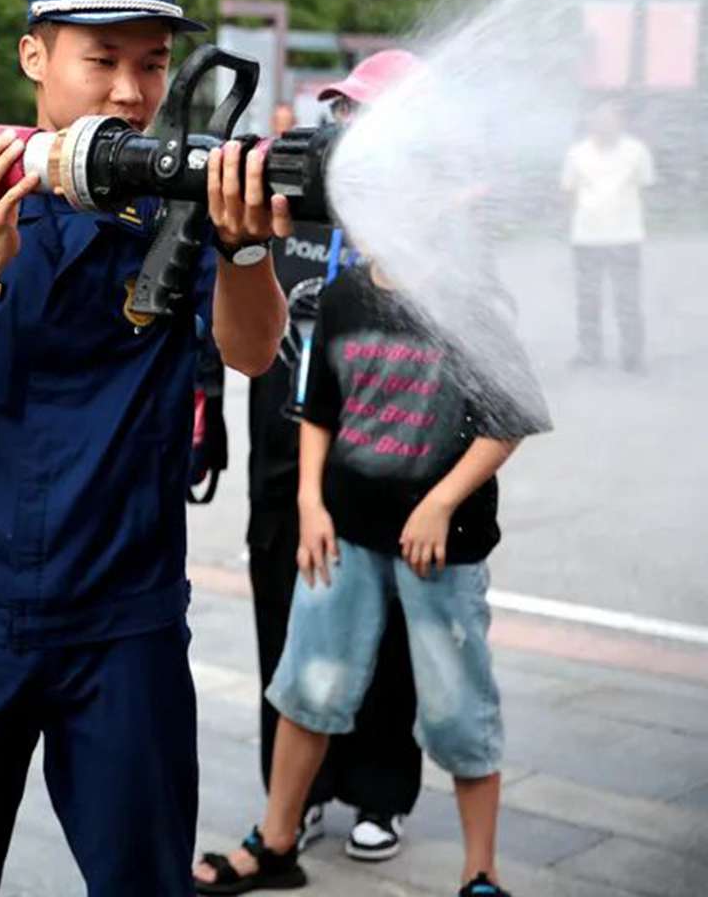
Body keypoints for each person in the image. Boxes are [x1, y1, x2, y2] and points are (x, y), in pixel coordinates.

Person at [0, 0, 290, 894]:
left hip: (122, 617)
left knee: (143, 873)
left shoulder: (184, 195)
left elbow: (255, 353)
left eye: (153, 62)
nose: (131, 90)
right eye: (104, 59)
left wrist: (247, 252)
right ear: (34, 58)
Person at [193, 255, 550, 897]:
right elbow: (319, 408)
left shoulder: (467, 294)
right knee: (310, 688)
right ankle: (277, 842)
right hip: (344, 534)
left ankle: (481, 873)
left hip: (442, 548)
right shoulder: (344, 295)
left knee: (457, 710)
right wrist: (310, 501)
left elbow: (510, 417)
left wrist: (441, 504)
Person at [239, 53, 427, 867]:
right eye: (341, 111)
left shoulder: (423, 228)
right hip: (284, 453)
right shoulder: (286, 197)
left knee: (384, 631)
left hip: (382, 461)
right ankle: (298, 795)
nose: (347, 130)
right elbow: (234, 289)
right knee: (282, 621)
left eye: (367, 114)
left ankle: (379, 792)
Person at [561, 100, 654, 372]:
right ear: (590, 125)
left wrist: (634, 222)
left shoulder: (635, 151)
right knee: (588, 297)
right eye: (598, 121)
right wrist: (573, 226)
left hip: (625, 236)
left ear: (620, 123)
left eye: (610, 120)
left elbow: (645, 187)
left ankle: (632, 354)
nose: (604, 126)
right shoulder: (577, 154)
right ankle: (589, 351)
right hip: (587, 237)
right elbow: (569, 192)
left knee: (628, 298)